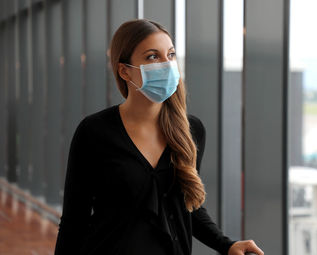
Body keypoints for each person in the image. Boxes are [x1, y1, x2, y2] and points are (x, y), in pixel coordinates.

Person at [54, 18, 264, 255]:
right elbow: (74, 221)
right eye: (153, 57)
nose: (166, 64)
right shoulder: (94, 132)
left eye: (171, 55)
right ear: (124, 71)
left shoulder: (191, 130)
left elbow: (187, 205)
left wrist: (226, 245)